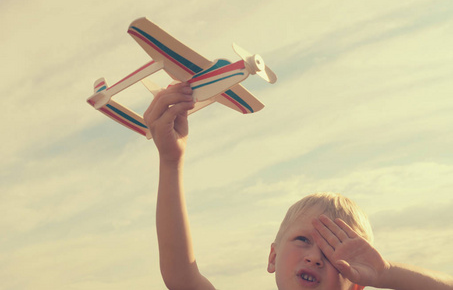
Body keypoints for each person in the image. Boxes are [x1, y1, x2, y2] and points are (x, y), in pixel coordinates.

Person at [143, 82, 453, 290]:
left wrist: (386, 273)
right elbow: (181, 276)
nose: (315, 257)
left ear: (356, 285)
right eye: (303, 239)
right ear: (272, 257)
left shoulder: (377, 277)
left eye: (334, 252)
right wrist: (171, 162)